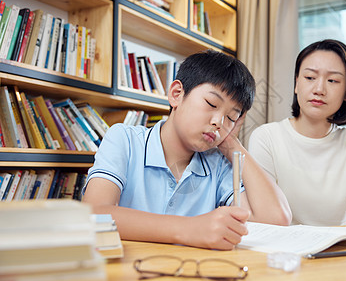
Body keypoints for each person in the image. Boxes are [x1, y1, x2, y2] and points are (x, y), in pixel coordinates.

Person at [82, 50, 292, 250]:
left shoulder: (218, 164)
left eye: (231, 118)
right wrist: (189, 228)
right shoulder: (124, 139)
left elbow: (276, 218)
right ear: (176, 94)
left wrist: (231, 143)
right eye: (211, 103)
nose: (218, 122)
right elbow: (94, 214)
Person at [248, 39, 346, 226]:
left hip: (339, 251)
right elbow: (264, 219)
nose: (319, 89)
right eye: (310, 78)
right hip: (283, 252)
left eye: (333, 80)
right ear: (296, 84)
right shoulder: (266, 138)